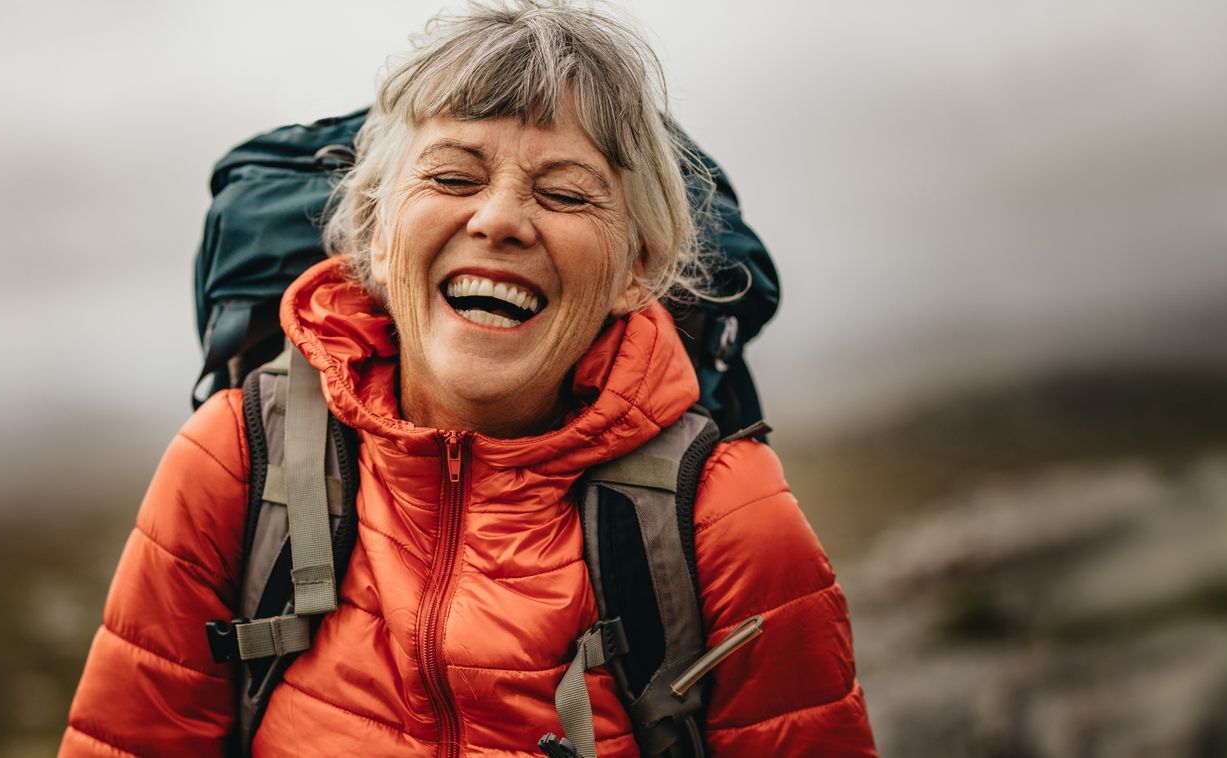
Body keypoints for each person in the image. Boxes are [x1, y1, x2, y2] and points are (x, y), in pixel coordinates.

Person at [61, 2, 875, 755]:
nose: (499, 220)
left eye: (563, 193)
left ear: (639, 270)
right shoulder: (236, 463)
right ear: (377, 234)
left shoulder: (729, 521)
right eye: (453, 178)